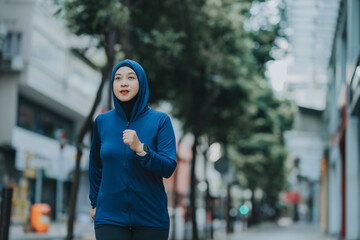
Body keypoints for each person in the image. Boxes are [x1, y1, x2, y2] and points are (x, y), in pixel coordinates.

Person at [89, 59, 177, 240]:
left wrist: (141, 149)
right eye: (118, 78)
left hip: (151, 220)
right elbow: (96, 166)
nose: (123, 83)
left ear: (141, 83)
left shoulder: (160, 121)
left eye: (130, 78)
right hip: (109, 219)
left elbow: (168, 167)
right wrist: (94, 203)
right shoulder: (102, 122)